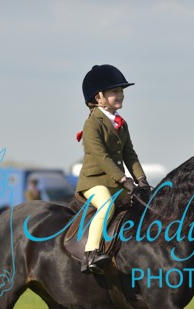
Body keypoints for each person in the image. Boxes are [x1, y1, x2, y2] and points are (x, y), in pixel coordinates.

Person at [75, 64, 149, 274]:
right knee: (106, 206)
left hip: (115, 183)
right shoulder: (92, 124)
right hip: (94, 182)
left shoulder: (121, 123)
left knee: (144, 206)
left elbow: (129, 154)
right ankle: (90, 254)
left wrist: (141, 179)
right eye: (115, 91)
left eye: (121, 91)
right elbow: (102, 157)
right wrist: (124, 180)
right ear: (99, 97)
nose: (120, 95)